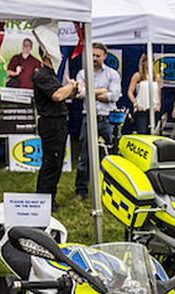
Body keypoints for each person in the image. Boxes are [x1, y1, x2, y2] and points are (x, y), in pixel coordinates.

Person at [74, 42, 121, 202]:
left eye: (97, 56)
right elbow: (79, 94)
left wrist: (90, 92)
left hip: (108, 119)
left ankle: (114, 190)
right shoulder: (82, 73)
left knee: (112, 156)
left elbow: (114, 96)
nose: (94, 58)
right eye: (92, 55)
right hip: (89, 118)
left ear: (104, 56)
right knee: (85, 156)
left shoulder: (112, 74)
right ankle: (81, 191)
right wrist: (102, 91)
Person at [32, 46, 78, 212]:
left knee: (56, 163)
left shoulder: (50, 75)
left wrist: (72, 89)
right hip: (50, 123)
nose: (60, 55)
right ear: (47, 55)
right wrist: (71, 86)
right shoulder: (42, 75)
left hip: (57, 122)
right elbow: (57, 95)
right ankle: (44, 201)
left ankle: (50, 199)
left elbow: (63, 94)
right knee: (51, 163)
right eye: (56, 52)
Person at [127, 54, 161, 134]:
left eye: (151, 61)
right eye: (147, 61)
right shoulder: (137, 76)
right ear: (143, 62)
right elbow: (130, 92)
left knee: (154, 132)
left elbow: (159, 93)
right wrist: (136, 104)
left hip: (154, 109)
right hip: (142, 108)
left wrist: (159, 105)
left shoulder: (157, 77)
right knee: (142, 131)